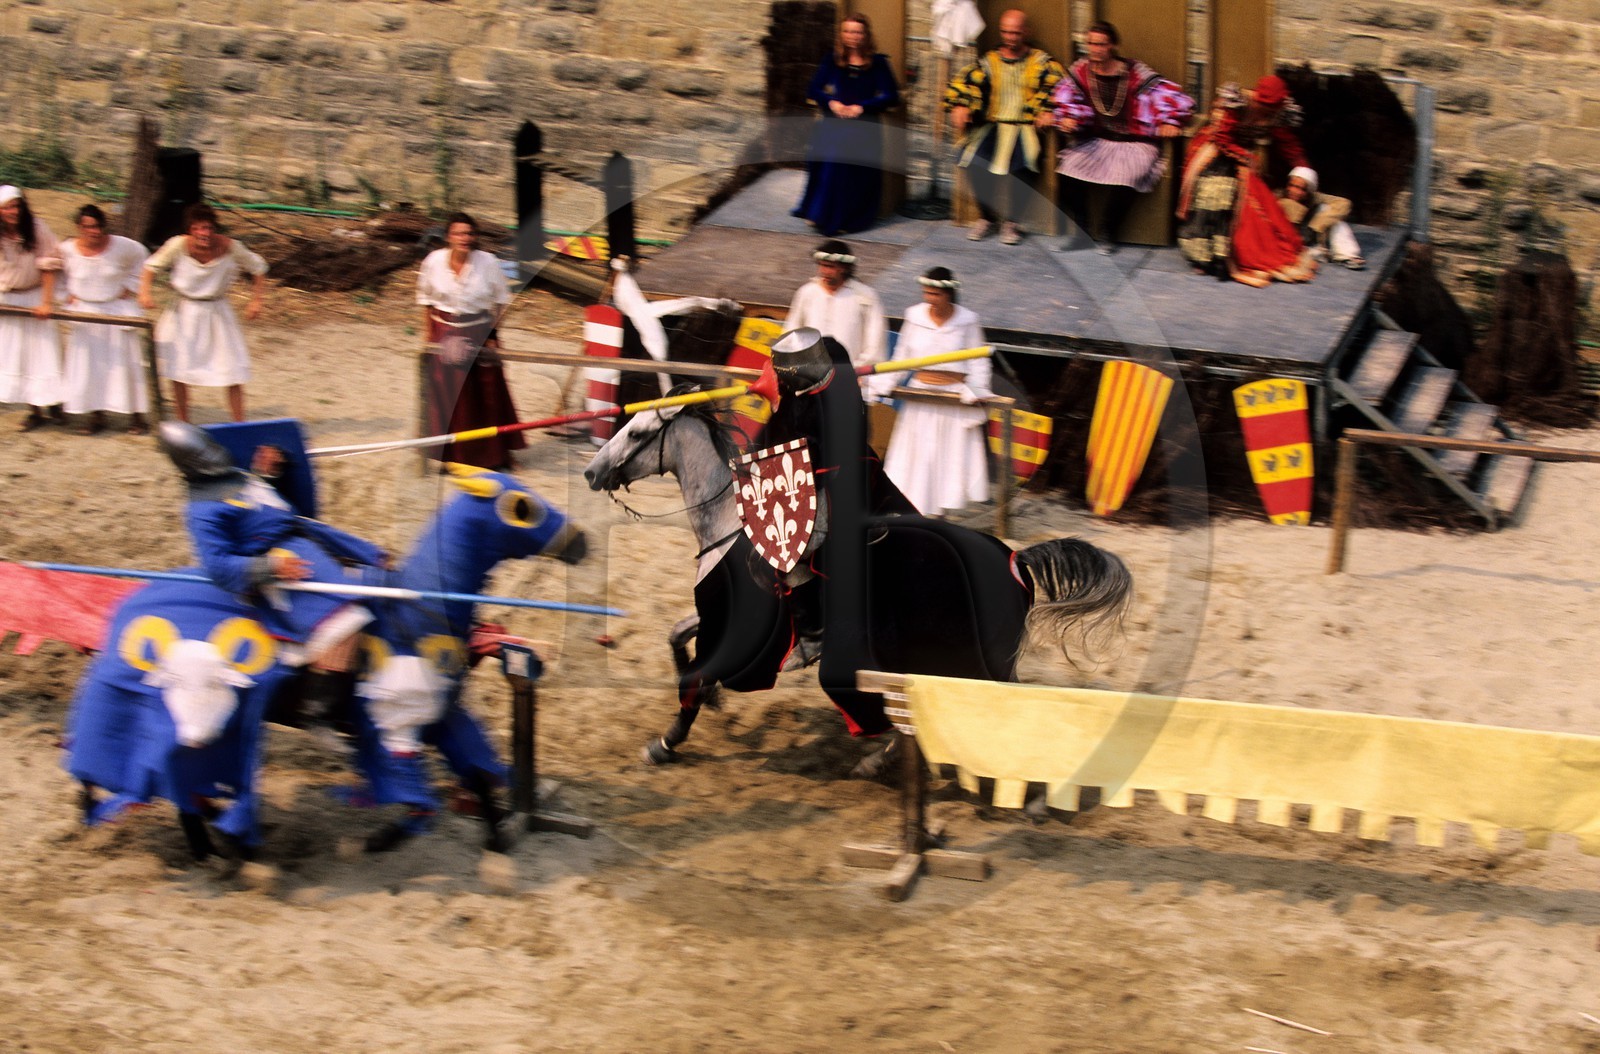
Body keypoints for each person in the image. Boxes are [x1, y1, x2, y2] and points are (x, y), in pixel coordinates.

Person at [157, 421, 391, 724]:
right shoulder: (201, 511)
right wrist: (270, 567)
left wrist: (268, 475)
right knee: (344, 620)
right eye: (202, 455)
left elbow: (259, 508)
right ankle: (318, 710)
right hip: (279, 568)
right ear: (189, 465)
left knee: (377, 579)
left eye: (211, 448)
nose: (213, 457)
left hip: (308, 540)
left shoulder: (237, 475)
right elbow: (217, 565)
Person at [760, 326, 917, 717]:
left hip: (843, 482)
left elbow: (812, 447)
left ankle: (813, 633)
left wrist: (782, 409)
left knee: (788, 547)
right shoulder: (814, 387)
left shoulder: (838, 395)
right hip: (825, 476)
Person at [1051, 21, 1194, 253]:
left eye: (1101, 44)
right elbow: (1065, 98)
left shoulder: (1135, 73)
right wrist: (1068, 117)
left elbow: (1172, 97)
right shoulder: (1080, 72)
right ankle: (1082, 232)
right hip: (1098, 141)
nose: (1095, 49)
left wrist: (1170, 120)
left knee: (1126, 177)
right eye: (1091, 44)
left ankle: (1108, 232)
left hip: (1135, 143)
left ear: (1113, 45)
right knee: (1066, 173)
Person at [871, 267, 992, 516]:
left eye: (935, 294)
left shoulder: (968, 320)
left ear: (948, 295)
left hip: (953, 399)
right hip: (921, 397)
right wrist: (883, 384)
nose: (930, 299)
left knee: (947, 458)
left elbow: (979, 361)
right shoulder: (914, 316)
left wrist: (977, 391)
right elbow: (902, 357)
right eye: (927, 293)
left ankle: (941, 513)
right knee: (920, 457)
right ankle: (916, 511)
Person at [1176, 76, 1316, 287]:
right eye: (1263, 106)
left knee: (1254, 199)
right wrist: (1245, 157)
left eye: (1271, 109)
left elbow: (1289, 144)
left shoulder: (1279, 113)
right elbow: (1222, 137)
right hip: (1215, 152)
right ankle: (1206, 257)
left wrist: (1303, 170)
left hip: (1244, 158)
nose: (1266, 111)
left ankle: (1240, 253)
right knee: (1215, 191)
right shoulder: (1238, 103)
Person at [416, 212, 525, 470]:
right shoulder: (434, 261)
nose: (465, 238)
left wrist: (492, 335)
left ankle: (496, 456)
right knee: (450, 395)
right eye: (459, 233)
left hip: (479, 331)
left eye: (469, 233)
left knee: (487, 393)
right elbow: (425, 300)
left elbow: (500, 301)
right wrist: (429, 336)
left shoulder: (488, 262)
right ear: (449, 237)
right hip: (443, 331)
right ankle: (451, 457)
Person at [945, 9, 1064, 246]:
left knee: (1024, 164)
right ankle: (986, 217)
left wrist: (1050, 110)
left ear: (1026, 32)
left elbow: (1061, 88)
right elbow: (961, 83)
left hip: (1024, 126)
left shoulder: (1041, 62)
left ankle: (1012, 221)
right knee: (973, 160)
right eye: (1005, 32)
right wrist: (959, 105)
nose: (1010, 37)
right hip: (992, 125)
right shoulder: (989, 61)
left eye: (1015, 33)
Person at [139, 203, 266, 422]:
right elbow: (151, 266)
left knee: (232, 369)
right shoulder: (178, 245)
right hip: (183, 312)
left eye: (207, 228)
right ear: (190, 230)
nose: (203, 233)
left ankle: (239, 422)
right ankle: (183, 421)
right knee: (179, 369)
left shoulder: (230, 247)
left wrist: (256, 300)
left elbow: (259, 268)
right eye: (197, 228)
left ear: (213, 228)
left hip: (217, 312)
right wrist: (144, 293)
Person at [791, 14, 901, 237]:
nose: (853, 36)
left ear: (866, 35)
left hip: (864, 125)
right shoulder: (831, 60)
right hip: (835, 121)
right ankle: (822, 213)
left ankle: (845, 218)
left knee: (847, 164)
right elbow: (814, 89)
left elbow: (891, 96)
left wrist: (862, 107)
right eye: (848, 31)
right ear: (842, 35)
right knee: (830, 157)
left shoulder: (878, 63)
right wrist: (832, 103)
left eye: (858, 32)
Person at [59, 204, 151, 435]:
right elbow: (56, 273)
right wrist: (66, 294)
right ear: (79, 227)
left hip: (115, 310)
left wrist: (131, 286)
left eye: (98, 226)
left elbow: (143, 259)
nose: (95, 231)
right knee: (90, 367)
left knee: (125, 365)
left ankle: (137, 416)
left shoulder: (123, 246)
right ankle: (96, 416)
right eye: (89, 227)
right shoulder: (67, 249)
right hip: (85, 313)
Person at [0, 184, 64, 431]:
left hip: (35, 297)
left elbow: (49, 265)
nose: (13, 212)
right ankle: (34, 411)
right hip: (8, 299)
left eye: (16, 206)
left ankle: (54, 402)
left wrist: (46, 302)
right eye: (7, 208)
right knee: (18, 358)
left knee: (44, 354)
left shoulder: (36, 228)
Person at [784, 238, 887, 370]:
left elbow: (875, 344)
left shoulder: (865, 296)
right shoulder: (806, 293)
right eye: (822, 265)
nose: (824, 271)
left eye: (830, 267)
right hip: (810, 373)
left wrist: (857, 370)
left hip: (851, 374)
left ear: (844, 268)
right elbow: (792, 333)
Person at [1280, 166, 1365, 270]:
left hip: (1309, 238)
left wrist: (1316, 225)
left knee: (1330, 212)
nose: (1294, 191)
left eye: (1301, 189)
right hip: (1289, 245)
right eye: (1292, 186)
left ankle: (1348, 256)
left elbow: (1344, 203)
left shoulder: (1314, 197)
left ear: (1308, 191)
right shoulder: (1279, 196)